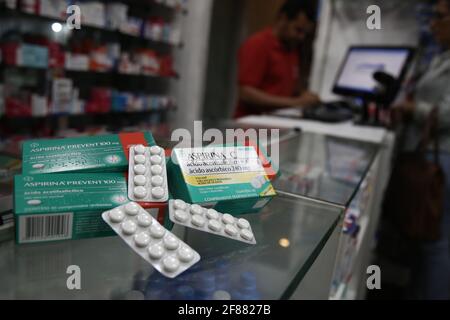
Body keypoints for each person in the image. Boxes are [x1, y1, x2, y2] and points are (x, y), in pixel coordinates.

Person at [393, 0, 450, 299]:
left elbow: (446, 114)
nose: (432, 24)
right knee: (421, 237)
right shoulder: (442, 57)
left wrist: (412, 108)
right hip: (426, 154)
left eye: (440, 17)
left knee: (438, 244)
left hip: (443, 161)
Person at [234, 0, 321, 119]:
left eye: (305, 33)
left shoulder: (291, 49)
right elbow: (246, 93)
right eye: (298, 30)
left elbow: (285, 86)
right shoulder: (258, 44)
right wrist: (296, 102)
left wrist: (304, 95)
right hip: (250, 127)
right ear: (283, 19)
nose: (301, 37)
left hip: (277, 123)